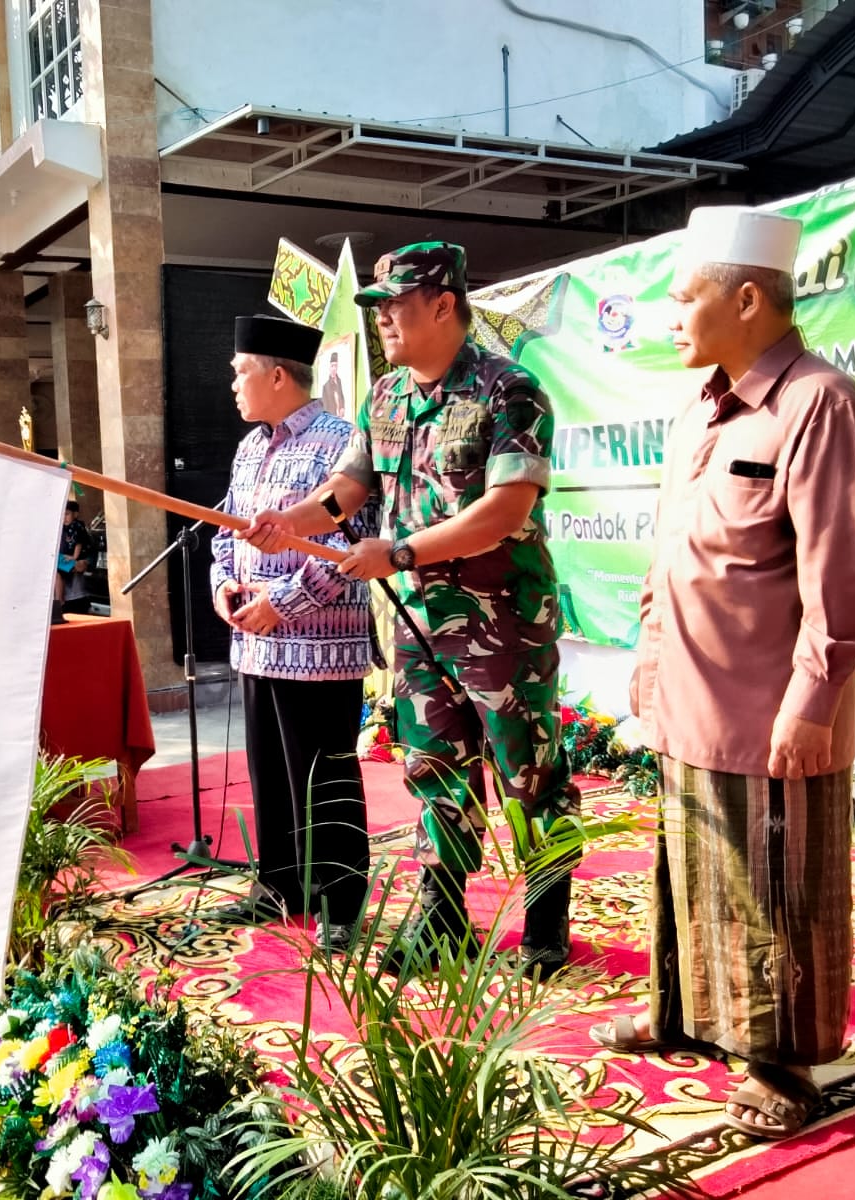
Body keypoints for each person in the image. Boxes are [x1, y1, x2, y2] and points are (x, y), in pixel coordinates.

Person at [591, 206, 855, 1141]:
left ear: (748, 298)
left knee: (773, 889)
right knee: (687, 870)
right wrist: (646, 659)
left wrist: (811, 704)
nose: (672, 316)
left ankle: (783, 1067)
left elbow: (840, 574)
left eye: (686, 297)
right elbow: (668, 558)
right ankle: (682, 1015)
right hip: (688, 695)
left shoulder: (821, 404)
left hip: (768, 712)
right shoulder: (698, 412)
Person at [241, 242, 579, 979]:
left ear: (444, 305)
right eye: (378, 306)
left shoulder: (508, 391)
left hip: (503, 628)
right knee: (434, 771)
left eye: (397, 303)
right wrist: (290, 521)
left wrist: (395, 553)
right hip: (418, 628)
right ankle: (443, 917)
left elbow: (503, 510)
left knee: (529, 775)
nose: (384, 318)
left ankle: (546, 921)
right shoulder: (386, 396)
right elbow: (347, 491)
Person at [209, 315, 377, 951]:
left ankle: (340, 901)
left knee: (324, 774)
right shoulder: (250, 448)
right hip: (255, 642)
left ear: (278, 375)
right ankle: (278, 885)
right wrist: (224, 587)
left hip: (319, 647)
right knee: (269, 774)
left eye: (240, 371)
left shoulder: (342, 444)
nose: (232, 383)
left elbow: (349, 543)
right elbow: (225, 530)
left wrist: (284, 601)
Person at [57, 500, 96, 617]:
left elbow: (86, 560)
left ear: (75, 514)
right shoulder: (60, 529)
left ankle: (60, 601)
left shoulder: (79, 529)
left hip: (76, 596)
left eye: (67, 514)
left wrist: (80, 562)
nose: (64, 517)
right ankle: (60, 601)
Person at [320, 350, 345, 417]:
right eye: (332, 366)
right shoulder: (325, 386)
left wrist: (342, 407)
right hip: (332, 417)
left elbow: (341, 395)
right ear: (329, 367)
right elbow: (325, 407)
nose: (334, 368)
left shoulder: (339, 381)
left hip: (340, 416)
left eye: (335, 366)